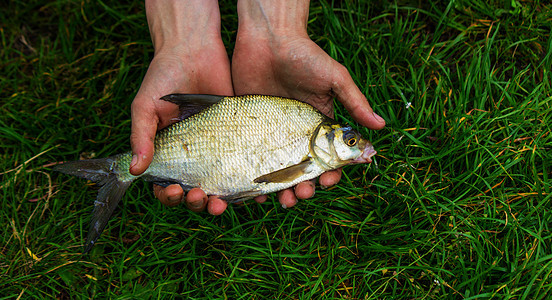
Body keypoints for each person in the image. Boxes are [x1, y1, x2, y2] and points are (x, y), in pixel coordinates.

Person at [129, 0, 386, 215]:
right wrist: (180, 49)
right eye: (351, 141)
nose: (358, 145)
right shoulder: (310, 136)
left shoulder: (310, 127)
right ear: (323, 137)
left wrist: (278, 32)